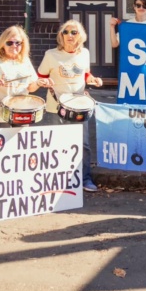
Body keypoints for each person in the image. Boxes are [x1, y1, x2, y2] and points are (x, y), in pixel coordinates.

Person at [37, 20, 103, 192]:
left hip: (78, 106)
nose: (69, 36)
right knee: (57, 144)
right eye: (66, 32)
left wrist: (93, 80)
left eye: (74, 32)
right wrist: (44, 82)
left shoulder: (84, 53)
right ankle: (57, 180)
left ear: (80, 36)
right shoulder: (51, 54)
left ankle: (84, 179)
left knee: (83, 144)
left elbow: (85, 74)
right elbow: (40, 75)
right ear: (61, 36)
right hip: (55, 106)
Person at [0, 26, 49, 128]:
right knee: (4, 142)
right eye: (9, 43)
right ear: (3, 44)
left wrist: (39, 83)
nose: (14, 46)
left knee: (20, 142)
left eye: (17, 43)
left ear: (23, 44)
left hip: (22, 111)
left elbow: (30, 88)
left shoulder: (25, 61)